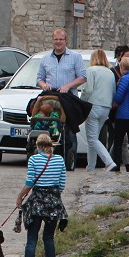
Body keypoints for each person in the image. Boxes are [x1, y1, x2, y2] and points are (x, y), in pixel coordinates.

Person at [16, 133, 67, 257]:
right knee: (49, 238)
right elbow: (62, 184)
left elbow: (30, 182)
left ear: (37, 146)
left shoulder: (34, 159)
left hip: (37, 202)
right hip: (54, 203)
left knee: (32, 240)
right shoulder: (59, 160)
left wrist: (20, 197)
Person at [36, 28, 87, 170]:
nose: (58, 42)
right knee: (39, 117)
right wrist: (43, 85)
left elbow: (83, 77)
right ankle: (41, 156)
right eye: (56, 39)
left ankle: (70, 161)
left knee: (69, 130)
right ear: (52, 40)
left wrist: (68, 86)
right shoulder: (45, 59)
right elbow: (39, 79)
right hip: (50, 96)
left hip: (68, 96)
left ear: (66, 41)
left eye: (61, 39)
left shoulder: (75, 57)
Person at [82, 49, 117, 172]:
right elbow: (113, 91)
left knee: (92, 138)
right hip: (106, 107)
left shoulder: (91, 70)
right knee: (94, 138)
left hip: (93, 105)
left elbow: (88, 90)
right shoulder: (110, 72)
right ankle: (90, 167)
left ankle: (109, 162)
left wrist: (82, 101)